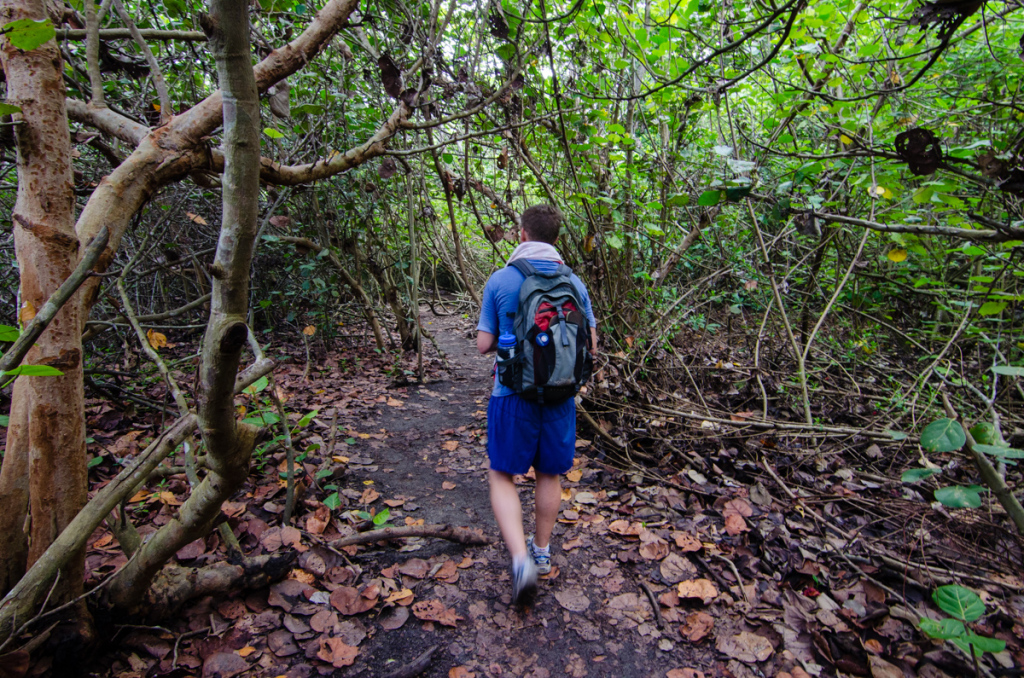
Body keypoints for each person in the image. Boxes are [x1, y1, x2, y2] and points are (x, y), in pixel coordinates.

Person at [476, 204, 598, 605]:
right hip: (561, 396)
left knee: (502, 473)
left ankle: (520, 561)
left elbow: (482, 345)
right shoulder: (574, 283)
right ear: (557, 239)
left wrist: (508, 338)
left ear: (521, 233)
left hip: (512, 395)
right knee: (549, 473)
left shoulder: (501, 279)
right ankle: (542, 553)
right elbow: (592, 345)